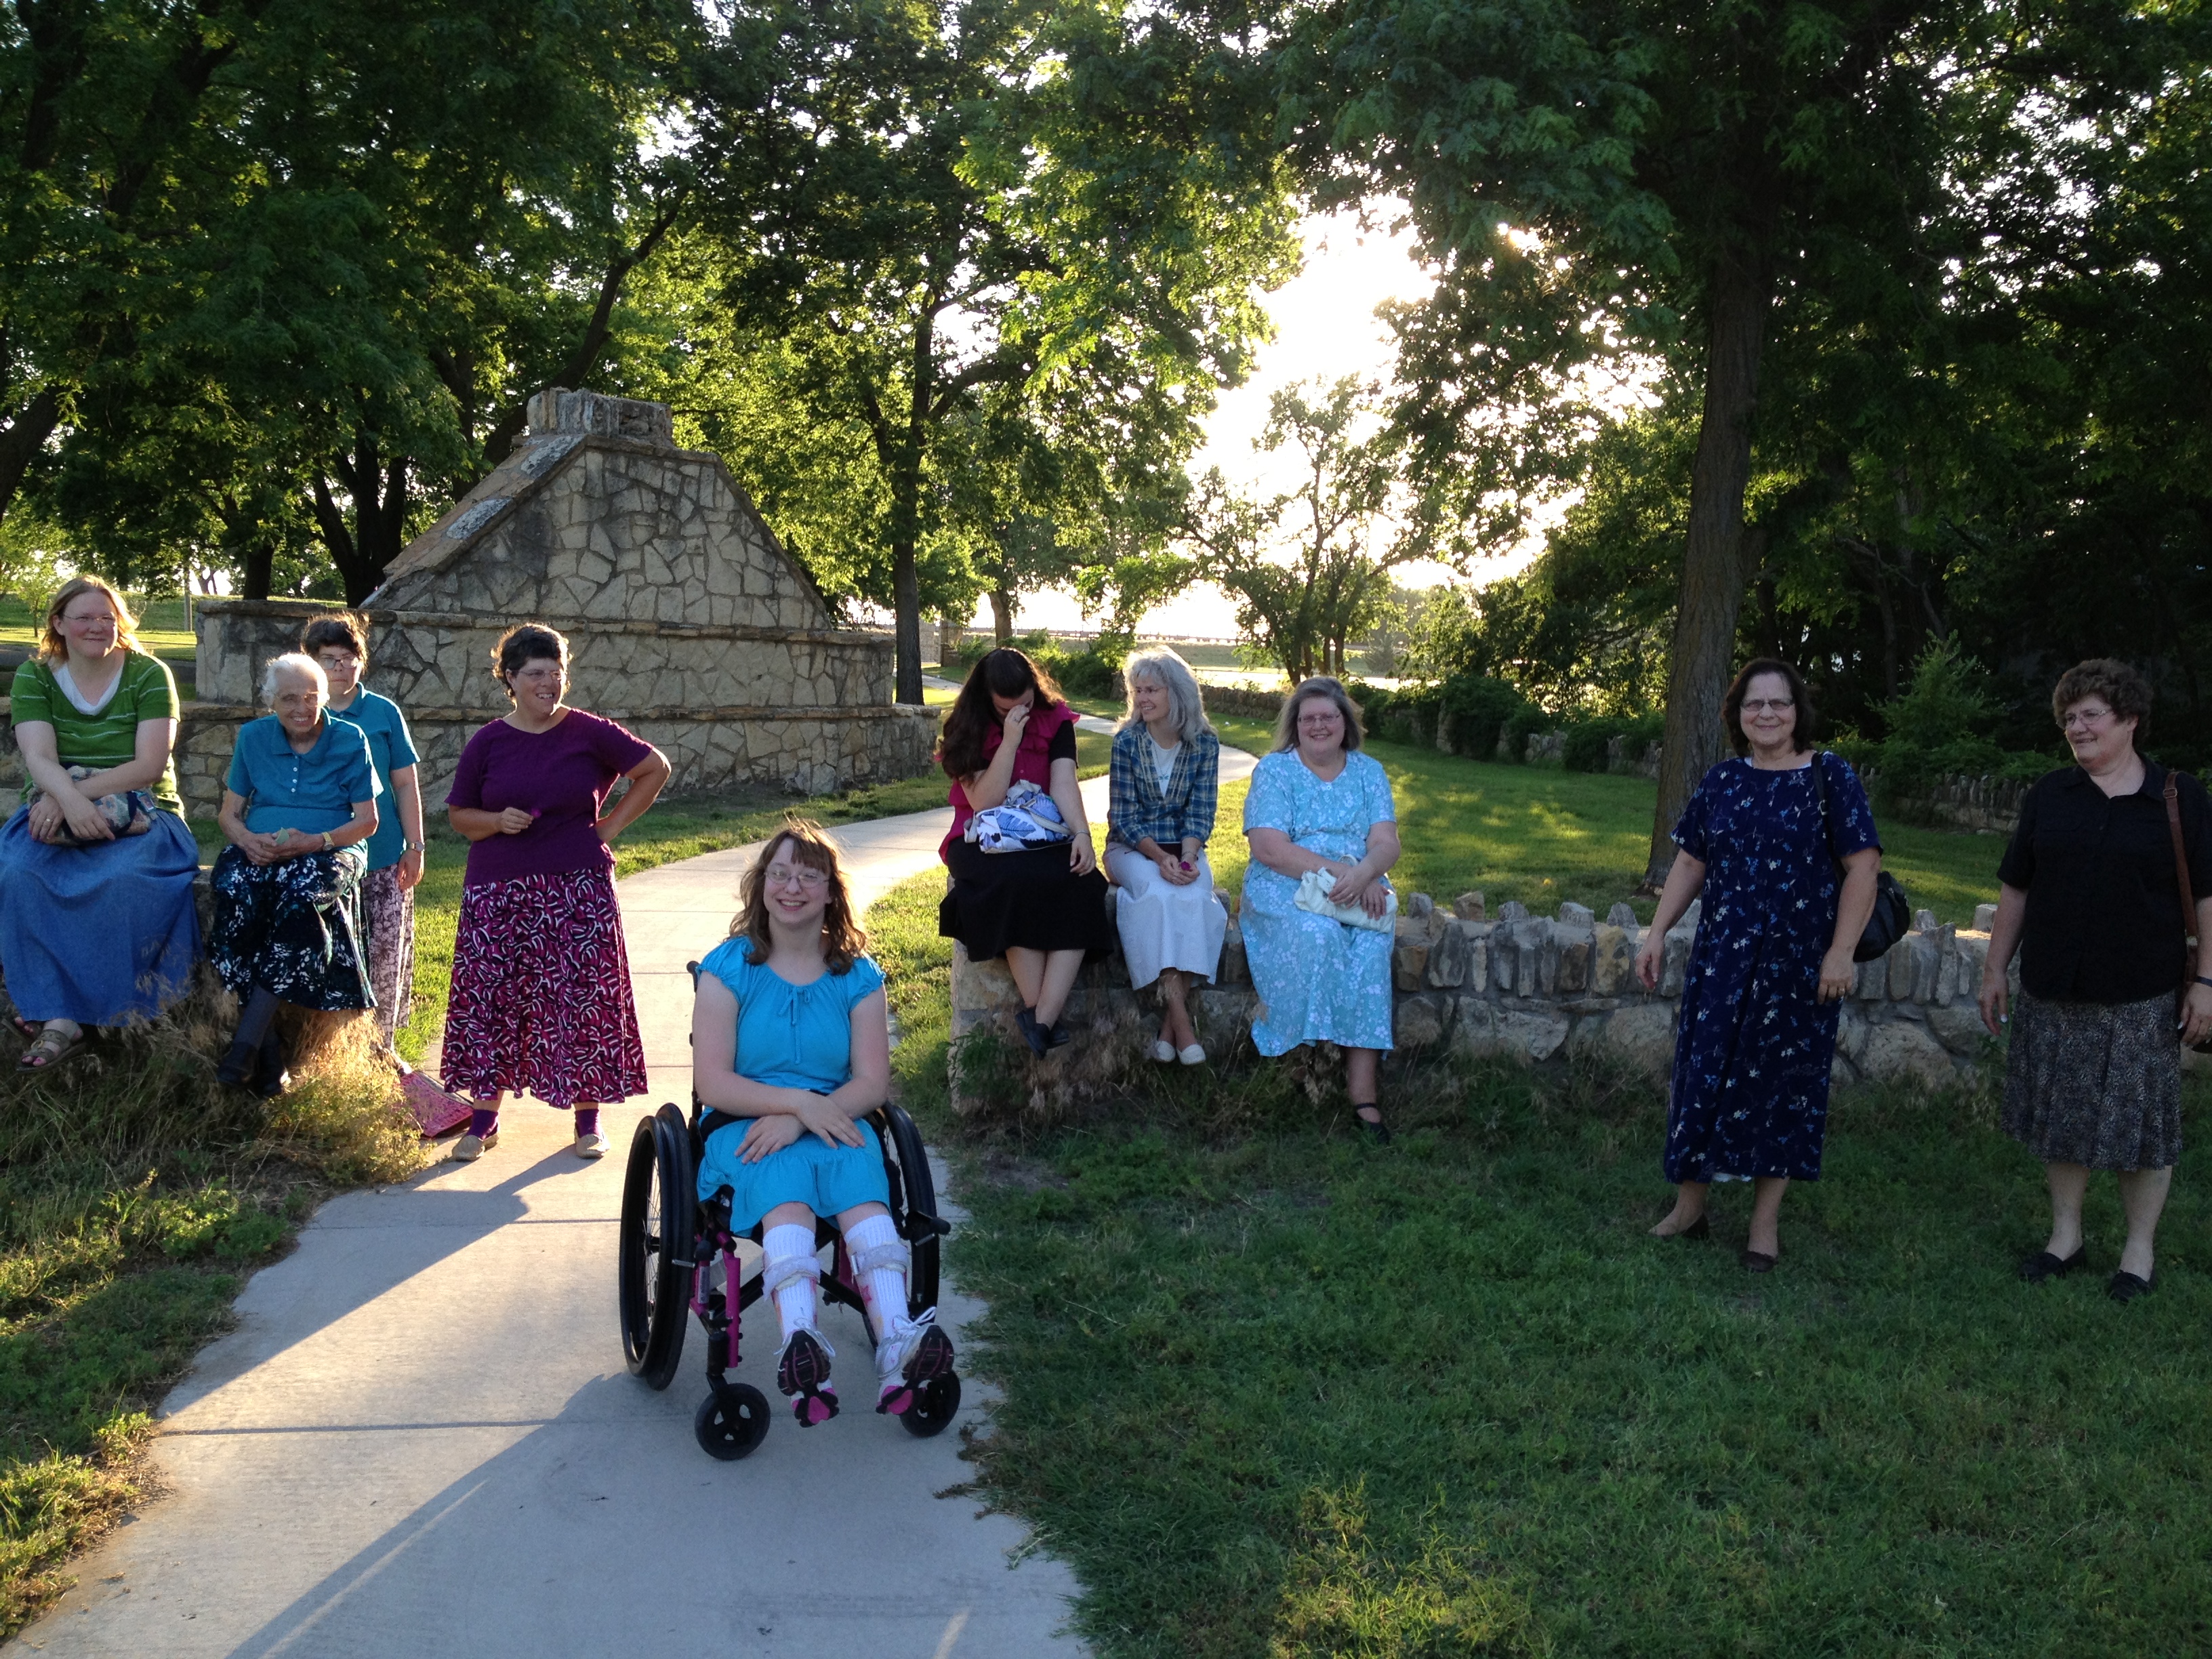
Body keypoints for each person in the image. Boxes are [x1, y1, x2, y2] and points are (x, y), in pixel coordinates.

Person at [692, 821, 954, 1426]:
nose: (793, 888)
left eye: (809, 877)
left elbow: (871, 1083)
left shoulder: (856, 976)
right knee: (784, 1191)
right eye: (780, 874)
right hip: (744, 1123)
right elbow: (714, 1084)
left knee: (864, 1192)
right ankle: (800, 1341)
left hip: (837, 1120)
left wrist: (807, 1116)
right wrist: (797, 1106)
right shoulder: (728, 968)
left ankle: (898, 1341)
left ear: (831, 891)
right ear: (761, 885)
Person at [1978, 659, 2212, 1303]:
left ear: (2130, 719)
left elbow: (2208, 897)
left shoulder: (2178, 797)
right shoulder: (2051, 795)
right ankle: (2066, 1238)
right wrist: (1995, 968)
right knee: (2062, 1118)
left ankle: (2139, 1253)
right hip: (2054, 986)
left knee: (2143, 1130)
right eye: (2068, 718)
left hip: (2141, 995)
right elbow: (2017, 886)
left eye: (2090, 716)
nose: (2076, 728)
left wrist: (2208, 982)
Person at [1636, 658, 1881, 1271]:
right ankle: (1689, 1208)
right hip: (1722, 960)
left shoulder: (1830, 775)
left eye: (1779, 703)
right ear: (1737, 714)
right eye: (1754, 704)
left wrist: (1840, 952)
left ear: (1798, 711)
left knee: (1783, 1089)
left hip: (1798, 968)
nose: (1766, 713)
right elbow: (1690, 861)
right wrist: (1656, 932)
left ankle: (1763, 1226)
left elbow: (1863, 867)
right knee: (1703, 1078)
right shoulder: (1722, 780)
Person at [441, 623, 670, 1162]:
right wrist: (496, 821)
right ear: (510, 679)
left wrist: (608, 827)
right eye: (535, 673)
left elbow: (654, 769)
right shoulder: (488, 741)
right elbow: (459, 817)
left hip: (577, 888)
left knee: (583, 1000)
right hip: (498, 891)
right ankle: (483, 1122)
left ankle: (588, 1122)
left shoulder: (589, 731)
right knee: (493, 1001)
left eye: (556, 672)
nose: (549, 683)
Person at [0, 577, 200, 1069]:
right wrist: (65, 800)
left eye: (107, 618)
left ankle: (106, 1015)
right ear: (58, 622)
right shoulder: (34, 676)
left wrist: (75, 797)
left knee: (121, 881)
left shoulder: (148, 674)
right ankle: (57, 1016)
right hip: (54, 803)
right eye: (84, 617)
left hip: (143, 810)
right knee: (20, 874)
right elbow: (39, 757)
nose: (97, 626)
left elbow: (149, 766)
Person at [209, 653, 382, 1092]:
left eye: (311, 697)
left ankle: (245, 1046)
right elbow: (228, 814)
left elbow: (367, 822)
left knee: (301, 899)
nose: (302, 708)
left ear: (324, 697)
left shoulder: (350, 738)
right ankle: (268, 1055)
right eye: (289, 698)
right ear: (271, 700)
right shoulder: (253, 737)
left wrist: (316, 841)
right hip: (262, 846)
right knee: (232, 890)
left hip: (330, 847)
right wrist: (247, 840)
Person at [1241, 677, 1401, 1141]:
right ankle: (1301, 1068)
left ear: (1344, 722)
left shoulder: (1369, 772)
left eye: (1328, 716)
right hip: (1288, 885)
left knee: (1371, 947)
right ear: (1295, 725)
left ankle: (1363, 1095)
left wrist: (1366, 873)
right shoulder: (1275, 771)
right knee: (1318, 936)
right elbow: (1269, 848)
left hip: (1359, 885)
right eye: (1308, 718)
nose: (1318, 725)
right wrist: (1344, 874)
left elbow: (1386, 841)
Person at [935, 647, 1113, 1056]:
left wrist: (1082, 834)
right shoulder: (966, 727)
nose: (1019, 712)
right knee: (1012, 883)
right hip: (981, 837)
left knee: (1083, 884)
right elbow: (985, 801)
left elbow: (1063, 781)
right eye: (1006, 708)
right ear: (987, 698)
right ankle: (1045, 1018)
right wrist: (1010, 740)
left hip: (1041, 833)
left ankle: (1040, 1021)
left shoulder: (1056, 719)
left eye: (1027, 704)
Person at [302, 613, 425, 1047]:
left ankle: (381, 1050)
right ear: (312, 663)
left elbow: (405, 783)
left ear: (362, 661)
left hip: (385, 855)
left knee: (385, 956)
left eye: (348, 657)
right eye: (328, 659)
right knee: (328, 955)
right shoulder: (300, 713)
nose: (340, 667)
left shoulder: (383, 712)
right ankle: (329, 1050)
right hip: (323, 856)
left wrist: (416, 846)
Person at [1105, 647, 1225, 1064]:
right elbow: (1123, 817)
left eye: (1151, 690)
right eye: (1137, 690)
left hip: (1184, 848)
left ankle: (1167, 1033)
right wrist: (1159, 858)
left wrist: (1189, 858)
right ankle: (1184, 1027)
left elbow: (1201, 812)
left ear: (1177, 693)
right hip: (1131, 848)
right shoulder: (1127, 742)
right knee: (1157, 895)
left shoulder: (1205, 744)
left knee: (1194, 898)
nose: (1142, 698)